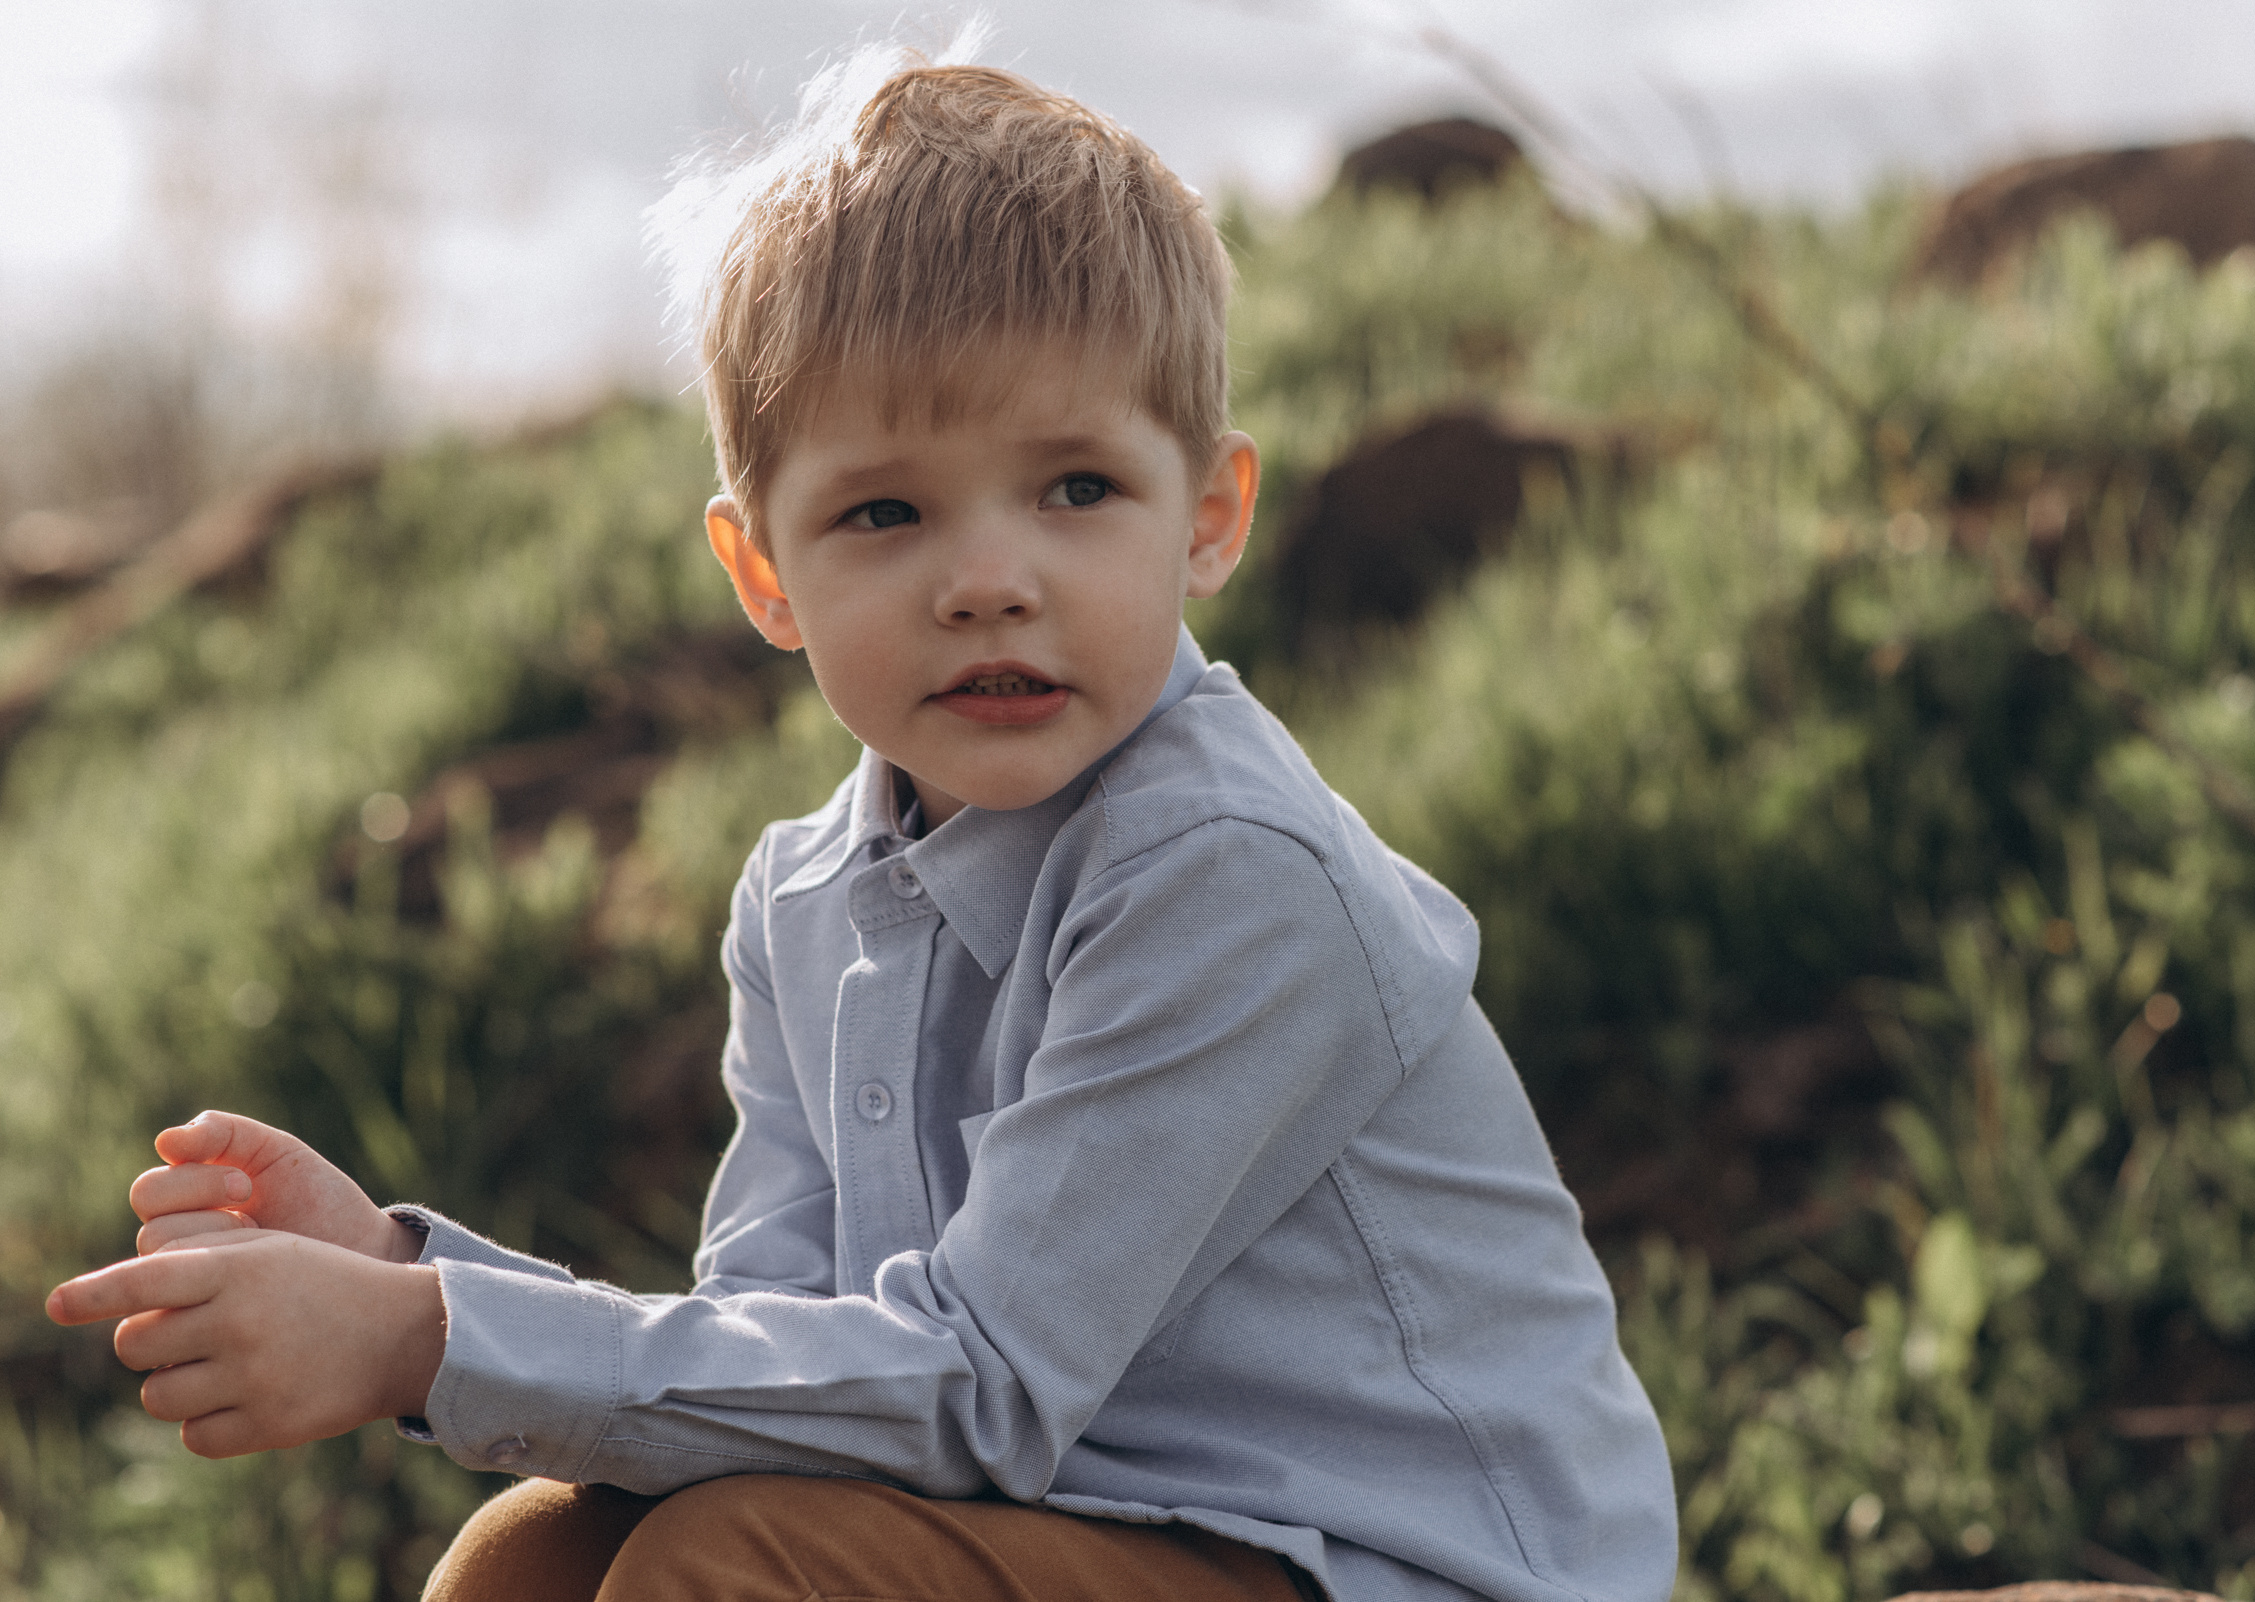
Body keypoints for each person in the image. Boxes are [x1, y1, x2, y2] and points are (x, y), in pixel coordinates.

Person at [46, 45, 1676, 1602]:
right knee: (533, 1562)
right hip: (1104, 1523)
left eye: (1077, 489)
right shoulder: (810, 899)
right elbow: (780, 1356)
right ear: (764, 572)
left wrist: (422, 1338)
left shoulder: (1231, 874)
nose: (987, 576)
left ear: (1210, 516)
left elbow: (975, 1385)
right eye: (885, 510)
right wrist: (413, 1275)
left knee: (743, 1574)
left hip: (1400, 1564)